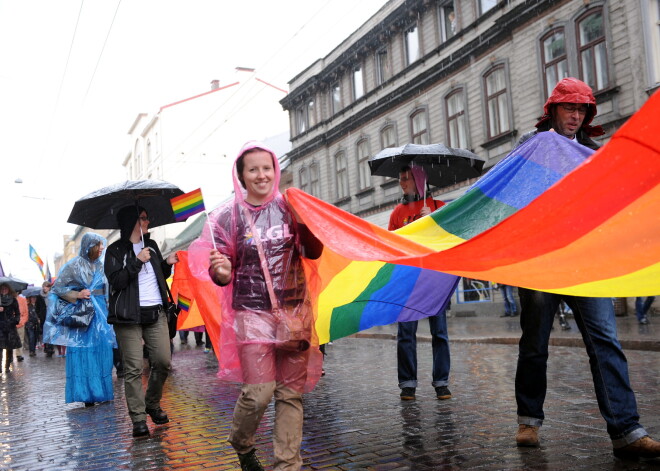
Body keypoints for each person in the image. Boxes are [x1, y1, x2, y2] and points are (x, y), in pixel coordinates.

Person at [513, 77, 660, 459]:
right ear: (553, 111)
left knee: (606, 343)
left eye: (582, 110)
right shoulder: (532, 147)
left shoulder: (597, 156)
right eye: (569, 108)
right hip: (539, 264)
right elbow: (507, 196)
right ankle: (529, 419)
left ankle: (626, 430)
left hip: (585, 264)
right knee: (534, 345)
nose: (575, 116)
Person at [192, 141, 323, 471]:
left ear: (275, 170)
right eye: (253, 169)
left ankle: (287, 465)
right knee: (259, 393)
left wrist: (307, 220)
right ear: (241, 176)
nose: (262, 175)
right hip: (251, 313)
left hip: (294, 310)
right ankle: (242, 440)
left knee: (290, 395)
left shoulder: (290, 207)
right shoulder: (227, 217)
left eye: (267, 167)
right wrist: (220, 271)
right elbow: (221, 270)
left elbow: (314, 251)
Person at [104, 205, 179, 438]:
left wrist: (166, 263)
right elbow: (116, 281)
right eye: (144, 218)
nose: (148, 222)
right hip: (128, 316)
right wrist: (136, 261)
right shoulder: (114, 250)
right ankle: (138, 418)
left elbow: (158, 275)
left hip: (156, 312)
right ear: (132, 221)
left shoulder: (152, 245)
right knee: (134, 369)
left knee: (163, 362)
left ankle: (152, 404)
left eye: (147, 218)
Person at [389, 165, 452, 401]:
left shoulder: (439, 208)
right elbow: (392, 246)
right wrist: (406, 232)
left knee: (440, 333)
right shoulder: (397, 213)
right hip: (407, 279)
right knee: (406, 333)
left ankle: (442, 382)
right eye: (400, 179)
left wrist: (433, 222)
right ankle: (408, 383)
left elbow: (448, 240)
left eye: (406, 178)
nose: (402, 183)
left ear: (419, 180)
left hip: (436, 279)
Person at [43, 233, 116, 407]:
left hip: (101, 312)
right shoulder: (72, 266)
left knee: (102, 350)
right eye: (98, 245)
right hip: (83, 315)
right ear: (89, 246)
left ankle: (103, 392)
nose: (101, 248)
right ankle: (86, 394)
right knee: (84, 352)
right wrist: (77, 294)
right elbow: (58, 289)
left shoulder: (102, 266)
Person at [0, 283, 21, 371]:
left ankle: (7, 366)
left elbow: (17, 313)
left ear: (8, 290)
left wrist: (14, 321)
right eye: (2, 289)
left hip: (10, 326)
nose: (4, 290)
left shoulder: (13, 300)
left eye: (5, 289)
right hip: (0, 326)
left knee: (9, 347)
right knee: (0, 347)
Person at [37, 281, 54, 356]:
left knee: (51, 333)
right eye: (43, 286)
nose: (44, 288)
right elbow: (37, 307)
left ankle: (50, 348)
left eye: (46, 286)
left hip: (51, 316)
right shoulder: (39, 296)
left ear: (49, 287)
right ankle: (46, 348)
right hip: (43, 317)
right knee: (45, 333)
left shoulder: (52, 295)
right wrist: (39, 315)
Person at [14, 291, 28, 362]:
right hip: (12, 322)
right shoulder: (9, 299)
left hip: (21, 322)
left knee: (20, 339)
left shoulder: (22, 300)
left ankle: (19, 354)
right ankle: (10, 354)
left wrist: (22, 321)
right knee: (11, 339)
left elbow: (26, 312)